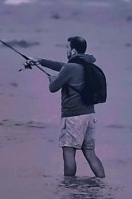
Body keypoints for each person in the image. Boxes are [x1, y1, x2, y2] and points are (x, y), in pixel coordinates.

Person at [28, 36, 105, 178]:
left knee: (68, 152)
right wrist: (40, 61)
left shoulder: (71, 67)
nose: (67, 51)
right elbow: (62, 66)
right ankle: (102, 182)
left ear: (73, 50)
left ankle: (69, 185)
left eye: (67, 48)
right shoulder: (85, 65)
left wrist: (53, 79)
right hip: (89, 115)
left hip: (73, 116)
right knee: (90, 153)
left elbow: (53, 87)